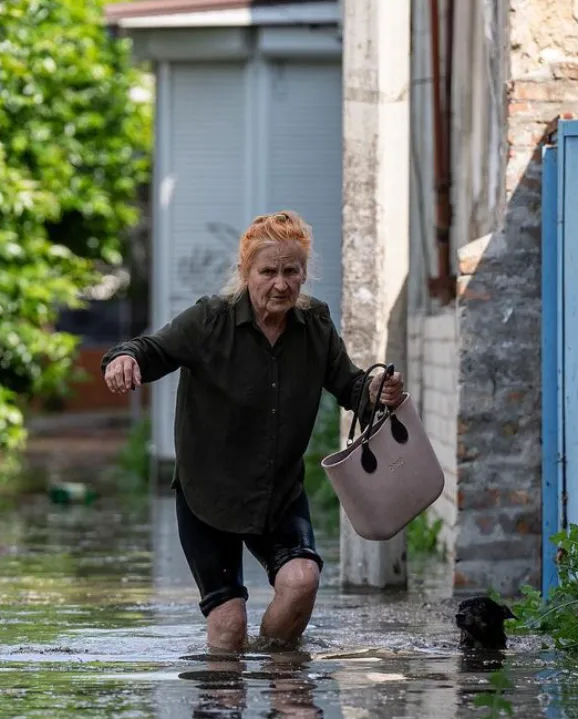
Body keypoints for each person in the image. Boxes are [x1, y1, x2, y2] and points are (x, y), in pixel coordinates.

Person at [100, 210, 405, 652]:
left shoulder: (315, 324)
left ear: (303, 274)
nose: (280, 284)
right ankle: (225, 706)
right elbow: (150, 350)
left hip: (278, 492)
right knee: (228, 627)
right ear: (246, 273)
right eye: (268, 272)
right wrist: (123, 359)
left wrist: (376, 390)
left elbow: (349, 386)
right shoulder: (210, 320)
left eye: (290, 271)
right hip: (209, 495)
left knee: (302, 581)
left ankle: (281, 683)